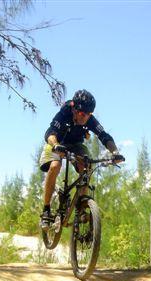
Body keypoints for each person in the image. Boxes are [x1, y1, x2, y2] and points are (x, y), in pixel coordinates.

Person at [39, 89, 124, 229]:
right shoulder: (64, 112)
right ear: (74, 109)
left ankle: (81, 207)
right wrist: (55, 145)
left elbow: (104, 135)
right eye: (82, 114)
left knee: (87, 167)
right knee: (55, 166)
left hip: (76, 145)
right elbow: (50, 132)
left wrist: (115, 152)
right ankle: (46, 210)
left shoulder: (89, 119)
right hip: (56, 142)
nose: (85, 117)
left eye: (89, 114)